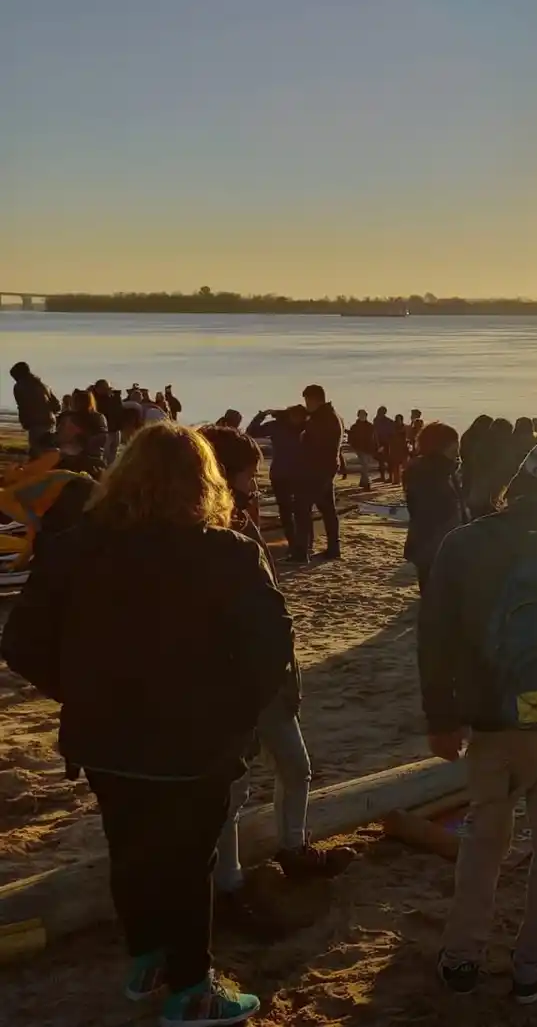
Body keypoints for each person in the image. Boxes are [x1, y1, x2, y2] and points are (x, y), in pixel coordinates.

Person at [0, 423, 292, 1025]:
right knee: (188, 862)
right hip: (195, 744)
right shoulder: (228, 552)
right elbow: (272, 651)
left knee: (130, 848)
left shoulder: (76, 546)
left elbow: (22, 642)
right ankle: (190, 989)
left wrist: (80, 692)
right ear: (203, 482)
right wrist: (235, 715)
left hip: (107, 737)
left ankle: (147, 960)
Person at [418, 432, 537, 1003]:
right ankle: (531, 968)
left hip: (495, 718)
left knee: (485, 838)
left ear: (521, 477)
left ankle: (462, 959)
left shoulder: (465, 544)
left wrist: (442, 718)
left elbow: (437, 640)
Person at [198, 425, 353, 931]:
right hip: (232, 683)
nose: (257, 480)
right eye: (248, 472)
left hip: (271, 674)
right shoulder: (206, 538)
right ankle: (229, 885)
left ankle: (293, 847)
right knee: (233, 790)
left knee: (296, 765)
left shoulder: (242, 521)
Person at [404, 422, 464, 591]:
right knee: (437, 592)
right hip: (435, 546)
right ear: (441, 446)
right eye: (454, 442)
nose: (458, 448)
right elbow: (436, 513)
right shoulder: (433, 473)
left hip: (427, 543)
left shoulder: (436, 470)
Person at [247, 407, 308, 562]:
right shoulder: (277, 425)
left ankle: (303, 546)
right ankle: (294, 546)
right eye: (296, 416)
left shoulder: (308, 426)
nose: (298, 419)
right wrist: (260, 415)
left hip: (300, 475)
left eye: (301, 416)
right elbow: (252, 432)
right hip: (281, 475)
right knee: (287, 512)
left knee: (301, 511)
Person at [298, 385, 343, 560]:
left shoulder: (322, 419)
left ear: (316, 399)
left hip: (316, 470)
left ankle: (302, 551)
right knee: (328, 511)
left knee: (303, 509)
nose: (306, 404)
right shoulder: (329, 416)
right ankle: (333, 548)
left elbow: (314, 446)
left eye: (308, 400)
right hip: (325, 469)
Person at [11, 361, 61, 456]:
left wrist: (24, 422)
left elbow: (22, 407)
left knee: (37, 451)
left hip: (36, 423)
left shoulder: (19, 386)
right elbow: (57, 406)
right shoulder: (43, 385)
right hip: (50, 421)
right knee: (48, 449)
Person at [94, 380, 127, 463]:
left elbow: (119, 411)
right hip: (105, 431)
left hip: (115, 429)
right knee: (105, 453)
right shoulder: (95, 400)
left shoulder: (114, 398)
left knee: (113, 453)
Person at [347, 409, 378, 490]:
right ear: (358, 416)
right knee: (365, 465)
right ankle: (367, 483)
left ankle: (362, 482)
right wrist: (354, 445)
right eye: (361, 415)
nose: (362, 417)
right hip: (360, 449)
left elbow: (375, 437)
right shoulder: (355, 427)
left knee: (366, 466)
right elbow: (351, 438)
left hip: (369, 449)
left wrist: (377, 447)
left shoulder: (370, 426)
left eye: (364, 415)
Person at [372, 406, 395, 482]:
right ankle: (384, 477)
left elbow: (391, 433)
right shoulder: (377, 420)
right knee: (381, 460)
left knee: (387, 460)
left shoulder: (387, 421)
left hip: (385, 442)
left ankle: (389, 477)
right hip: (380, 442)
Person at [387, 414, 410, 484]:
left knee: (404, 465)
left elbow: (407, 437)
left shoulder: (405, 428)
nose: (398, 421)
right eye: (397, 419)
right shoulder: (392, 428)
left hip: (403, 448)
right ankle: (396, 480)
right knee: (395, 465)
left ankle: (404, 480)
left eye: (400, 419)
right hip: (395, 448)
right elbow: (390, 438)